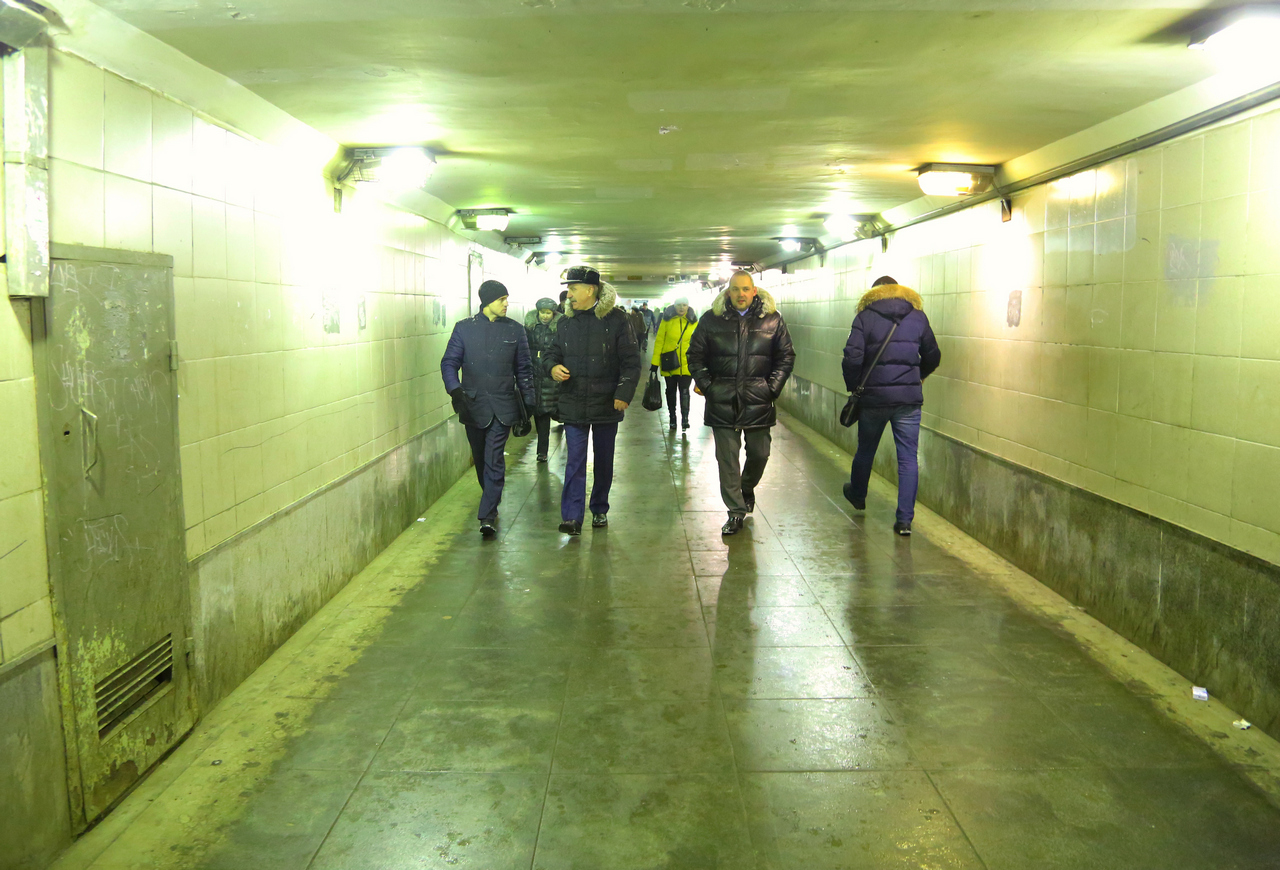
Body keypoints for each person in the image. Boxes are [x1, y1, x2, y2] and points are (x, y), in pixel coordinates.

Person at [687, 270, 795, 536]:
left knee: (760, 453)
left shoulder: (773, 320)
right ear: (728, 292)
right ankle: (735, 512)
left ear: (754, 291)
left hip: (758, 400)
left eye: (745, 289)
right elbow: (695, 355)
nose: (740, 294)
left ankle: (746, 487)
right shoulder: (711, 320)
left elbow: (786, 356)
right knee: (727, 459)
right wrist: (709, 387)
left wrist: (772, 389)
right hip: (722, 400)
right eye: (735, 289)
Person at [840, 275, 941, 536]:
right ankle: (904, 521)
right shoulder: (918, 317)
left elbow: (852, 358)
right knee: (908, 459)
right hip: (908, 400)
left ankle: (858, 494)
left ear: (874, 293)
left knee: (866, 450)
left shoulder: (864, 317)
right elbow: (933, 355)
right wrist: (918, 377)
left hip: (873, 399)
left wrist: (855, 387)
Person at [546, 266, 641, 535]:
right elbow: (551, 353)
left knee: (603, 459)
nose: (569, 295)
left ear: (590, 290)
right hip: (573, 401)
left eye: (573, 289)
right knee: (574, 460)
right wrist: (552, 367)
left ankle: (599, 508)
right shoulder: (565, 322)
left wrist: (623, 393)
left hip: (606, 402)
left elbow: (631, 362)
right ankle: (571, 517)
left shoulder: (617, 320)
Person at [440, 279, 535, 537]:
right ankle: (490, 499)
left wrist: (529, 402)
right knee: (481, 459)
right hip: (472, 406)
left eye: (506, 299)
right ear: (487, 301)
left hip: (504, 406)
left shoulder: (516, 330)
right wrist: (455, 390)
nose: (506, 304)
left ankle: (487, 515)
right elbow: (449, 363)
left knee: (494, 459)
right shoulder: (464, 329)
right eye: (501, 299)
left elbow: (524, 369)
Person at [650, 296, 698, 430]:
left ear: (688, 306)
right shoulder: (667, 321)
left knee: (685, 391)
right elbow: (659, 341)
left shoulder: (694, 322)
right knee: (670, 391)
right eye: (679, 305)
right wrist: (655, 363)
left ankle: (685, 418)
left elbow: (700, 343)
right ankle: (672, 417)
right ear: (674, 306)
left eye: (684, 305)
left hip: (687, 363)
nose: (681, 308)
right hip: (669, 363)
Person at [524, 297, 562, 462]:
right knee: (541, 413)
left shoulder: (560, 328)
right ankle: (542, 451)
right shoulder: (530, 328)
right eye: (542, 312)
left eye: (548, 313)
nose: (545, 316)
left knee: (553, 410)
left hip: (552, 375)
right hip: (535, 375)